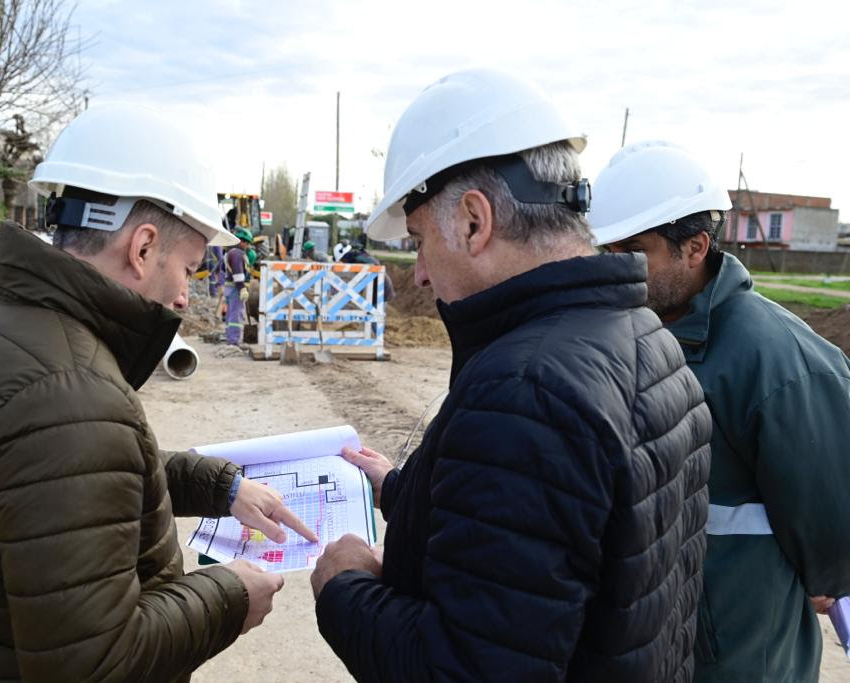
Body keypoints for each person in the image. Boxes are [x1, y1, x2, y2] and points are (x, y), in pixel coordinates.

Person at [309, 69, 712, 682]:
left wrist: (342, 589)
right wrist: (404, 491)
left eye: (418, 241)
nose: (417, 274)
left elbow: (465, 669)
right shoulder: (646, 339)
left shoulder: (525, 390)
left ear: (474, 221)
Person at [0, 103, 317, 682]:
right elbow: (93, 664)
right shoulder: (71, 394)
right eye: (189, 267)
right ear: (144, 247)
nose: (184, 297)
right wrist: (229, 595)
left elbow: (69, 480)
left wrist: (219, 486)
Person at [589, 140, 850, 683]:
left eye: (633, 250)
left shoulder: (778, 361)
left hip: (732, 655)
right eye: (607, 251)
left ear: (695, 247)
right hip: (642, 642)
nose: (616, 269)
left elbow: (834, 532)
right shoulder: (626, 332)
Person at [224, 228, 253, 345]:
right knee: (236, 316)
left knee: (231, 314)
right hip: (235, 288)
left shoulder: (231, 252)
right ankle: (234, 341)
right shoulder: (237, 254)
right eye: (247, 243)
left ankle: (230, 338)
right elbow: (238, 273)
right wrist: (242, 288)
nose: (247, 246)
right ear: (242, 241)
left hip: (230, 287)